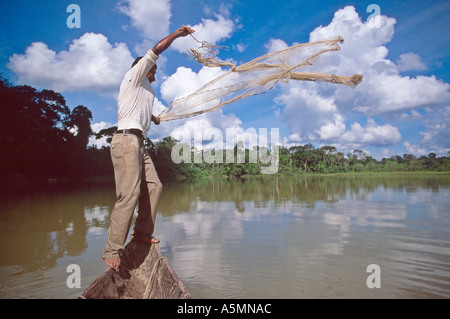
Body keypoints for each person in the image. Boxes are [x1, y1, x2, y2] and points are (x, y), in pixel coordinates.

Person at [103, 25, 195, 271]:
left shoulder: (146, 90)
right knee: (129, 194)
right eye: (154, 69)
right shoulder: (134, 75)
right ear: (146, 67)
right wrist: (176, 35)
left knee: (155, 186)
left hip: (139, 142)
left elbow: (137, 111)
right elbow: (156, 49)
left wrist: (153, 118)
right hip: (125, 140)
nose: (156, 73)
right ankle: (112, 249)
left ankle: (142, 232)